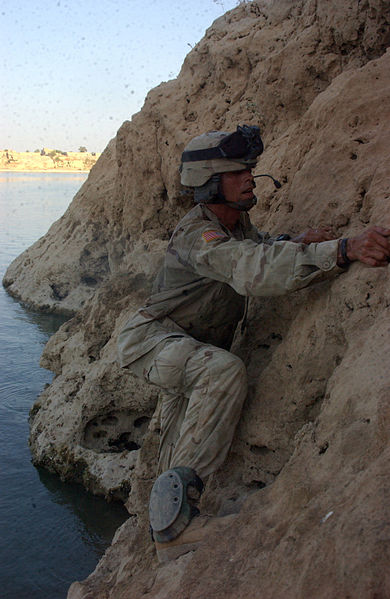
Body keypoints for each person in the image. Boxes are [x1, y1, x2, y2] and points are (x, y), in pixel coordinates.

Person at [117, 125, 390, 562]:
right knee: (222, 370)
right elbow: (247, 268)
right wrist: (341, 250)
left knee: (177, 451)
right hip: (152, 341)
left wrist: (296, 243)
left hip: (186, 346)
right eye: (236, 172)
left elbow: (258, 247)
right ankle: (175, 532)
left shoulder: (235, 223)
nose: (249, 178)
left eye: (249, 169)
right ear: (209, 182)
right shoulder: (197, 234)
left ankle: (161, 535)